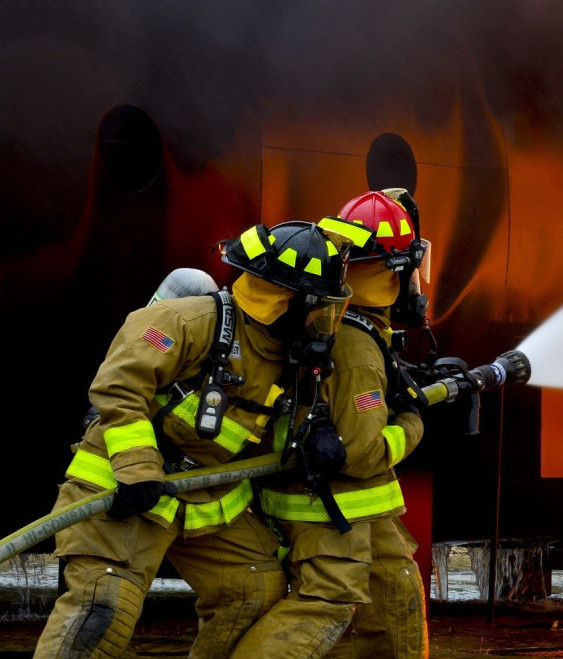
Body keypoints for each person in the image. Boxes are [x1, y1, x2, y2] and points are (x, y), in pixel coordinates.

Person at [35, 221, 353, 658]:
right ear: (287, 300)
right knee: (103, 609)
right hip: (127, 488)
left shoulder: (287, 356)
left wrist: (314, 431)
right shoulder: (185, 321)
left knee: (253, 593)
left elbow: (266, 426)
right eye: (320, 308)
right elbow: (119, 388)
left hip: (205, 497)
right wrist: (138, 469)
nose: (325, 323)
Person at [232, 189, 430, 658]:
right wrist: (413, 421)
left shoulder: (337, 323)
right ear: (398, 269)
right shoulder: (358, 348)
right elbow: (362, 453)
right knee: (326, 606)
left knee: (394, 594)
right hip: (332, 507)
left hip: (349, 508)